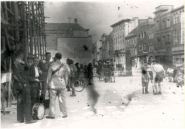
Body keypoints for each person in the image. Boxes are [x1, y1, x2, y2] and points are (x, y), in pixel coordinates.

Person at [13, 51, 37, 124]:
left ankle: (20, 119)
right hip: (22, 84)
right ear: (21, 55)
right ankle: (28, 119)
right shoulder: (17, 64)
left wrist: (24, 63)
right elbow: (17, 75)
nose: (23, 56)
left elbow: (26, 68)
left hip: (18, 85)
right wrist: (24, 83)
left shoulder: (16, 63)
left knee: (20, 101)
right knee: (27, 101)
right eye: (22, 55)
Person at [46, 53, 68, 119]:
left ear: (55, 57)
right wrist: (65, 84)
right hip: (62, 84)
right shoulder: (64, 65)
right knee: (62, 99)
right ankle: (64, 114)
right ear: (61, 58)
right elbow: (66, 77)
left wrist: (47, 84)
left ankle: (52, 115)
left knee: (52, 100)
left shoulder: (51, 65)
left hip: (53, 84)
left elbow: (49, 76)